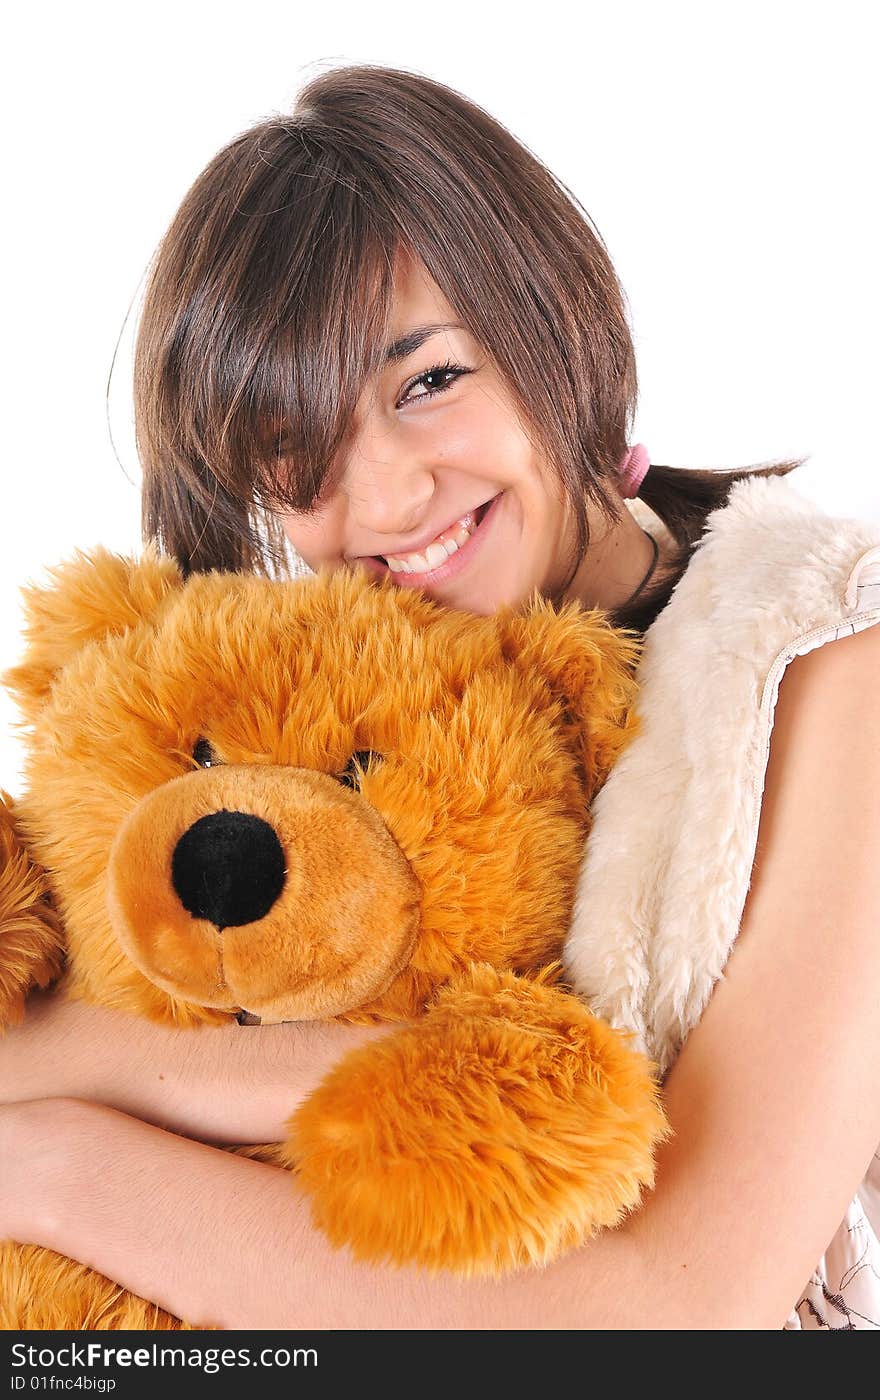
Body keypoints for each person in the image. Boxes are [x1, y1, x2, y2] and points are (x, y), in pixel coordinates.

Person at [2, 64, 879, 1331]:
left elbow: (683, 1304)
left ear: (550, 318)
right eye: (297, 455)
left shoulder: (820, 657)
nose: (390, 498)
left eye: (428, 382)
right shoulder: (308, 702)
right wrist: (396, 1075)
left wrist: (58, 1167)